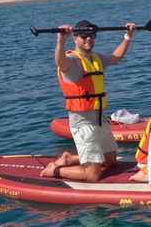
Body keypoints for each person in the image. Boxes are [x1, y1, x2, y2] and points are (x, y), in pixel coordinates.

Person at [41, 20, 135, 180]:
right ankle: (54, 171)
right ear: (75, 38)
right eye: (84, 36)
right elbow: (60, 62)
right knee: (93, 175)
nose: (89, 39)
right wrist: (61, 40)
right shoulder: (71, 60)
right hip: (82, 121)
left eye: (92, 35)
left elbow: (115, 58)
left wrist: (128, 36)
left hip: (100, 118)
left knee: (111, 161)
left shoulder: (95, 57)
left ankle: (69, 159)